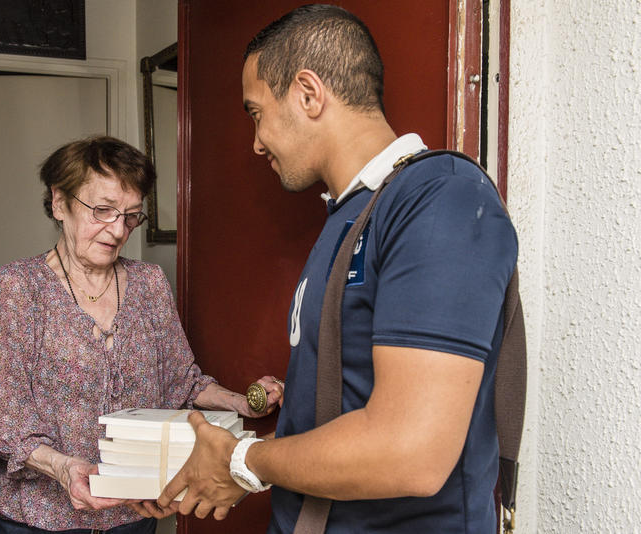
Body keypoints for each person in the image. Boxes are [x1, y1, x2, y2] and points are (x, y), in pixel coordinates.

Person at [135, 4, 518, 533]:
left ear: (309, 94)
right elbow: (339, 415)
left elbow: (410, 450)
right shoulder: (351, 215)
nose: (256, 141)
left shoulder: (439, 198)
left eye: (255, 111)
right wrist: (223, 465)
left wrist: (243, 463)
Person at [0, 135, 283, 534]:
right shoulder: (19, 288)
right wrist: (65, 468)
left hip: (132, 518)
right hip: (37, 522)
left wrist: (245, 405)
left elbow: (182, 381)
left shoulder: (148, 283)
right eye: (102, 211)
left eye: (130, 216)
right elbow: (4, 420)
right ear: (59, 202)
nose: (118, 230)